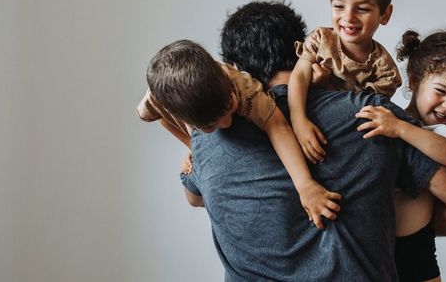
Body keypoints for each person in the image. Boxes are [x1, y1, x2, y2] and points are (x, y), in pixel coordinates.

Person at [180, 0, 446, 281]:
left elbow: (195, 198)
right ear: (301, 49)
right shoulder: (369, 115)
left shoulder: (208, 136)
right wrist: (385, 226)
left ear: (235, 70)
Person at [138, 39, 341, 228]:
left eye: (230, 106)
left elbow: (278, 127)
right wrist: (193, 146)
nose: (227, 123)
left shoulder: (241, 86)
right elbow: (161, 118)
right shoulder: (155, 99)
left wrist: (305, 185)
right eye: (210, 126)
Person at [355, 30, 446, 282]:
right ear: (414, 81)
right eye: (441, 91)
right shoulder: (388, 119)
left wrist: (401, 129)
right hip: (371, 246)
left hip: (414, 249)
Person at [289, 0, 403, 163]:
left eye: (362, 9)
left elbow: (361, 111)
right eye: (339, 6)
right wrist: (299, 121)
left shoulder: (384, 71)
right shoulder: (320, 40)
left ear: (385, 14)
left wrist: (326, 85)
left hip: (345, 142)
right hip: (307, 123)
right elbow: (298, 77)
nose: (348, 17)